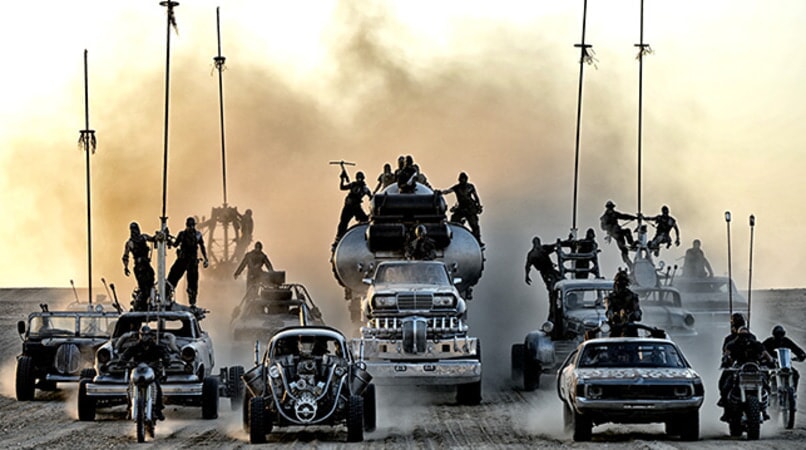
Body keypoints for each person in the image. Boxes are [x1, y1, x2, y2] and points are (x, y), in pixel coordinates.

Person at [718, 325, 773, 420]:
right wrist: (725, 360)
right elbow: (726, 354)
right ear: (738, 336)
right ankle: (726, 410)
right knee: (725, 384)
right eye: (742, 336)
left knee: (766, 384)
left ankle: (764, 410)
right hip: (738, 367)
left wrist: (771, 361)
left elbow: (766, 354)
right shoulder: (732, 344)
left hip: (755, 368)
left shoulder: (756, 344)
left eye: (746, 336)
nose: (744, 339)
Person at [121, 325, 168, 421]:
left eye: (146, 335)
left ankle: (158, 409)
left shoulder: (156, 347)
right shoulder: (135, 347)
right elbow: (125, 355)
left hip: (152, 372)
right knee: (130, 387)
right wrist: (122, 361)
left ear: (150, 335)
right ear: (139, 335)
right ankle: (130, 407)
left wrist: (166, 360)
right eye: (142, 335)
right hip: (138, 371)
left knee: (157, 386)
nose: (144, 337)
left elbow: (164, 354)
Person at [167, 216, 209, 307]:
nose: (191, 227)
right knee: (173, 277)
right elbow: (175, 244)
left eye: (192, 225)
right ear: (187, 226)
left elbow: (202, 247)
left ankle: (192, 302)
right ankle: (167, 294)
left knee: (193, 283)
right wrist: (169, 241)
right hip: (182, 260)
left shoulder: (198, 235)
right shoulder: (182, 234)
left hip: (192, 262)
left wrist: (206, 259)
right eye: (190, 226)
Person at [441, 172, 483, 244]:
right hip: (461, 208)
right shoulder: (457, 187)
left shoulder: (470, 187)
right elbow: (448, 191)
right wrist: (440, 192)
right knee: (454, 222)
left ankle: (478, 240)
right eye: (461, 179)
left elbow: (476, 196)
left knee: (474, 225)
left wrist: (478, 205)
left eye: (463, 179)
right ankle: (452, 237)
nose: (462, 181)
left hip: (470, 208)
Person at [334, 169, 372, 246]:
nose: (359, 180)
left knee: (364, 220)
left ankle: (365, 237)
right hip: (348, 207)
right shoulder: (353, 185)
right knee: (343, 223)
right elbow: (342, 187)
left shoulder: (365, 189)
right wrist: (342, 179)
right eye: (358, 178)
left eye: (360, 178)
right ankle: (338, 239)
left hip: (356, 207)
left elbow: (371, 197)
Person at [122, 222, 156, 310]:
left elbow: (153, 239)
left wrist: (159, 235)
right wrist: (126, 267)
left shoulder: (143, 237)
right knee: (143, 288)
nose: (134, 232)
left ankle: (148, 302)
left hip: (146, 265)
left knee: (151, 281)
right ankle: (142, 304)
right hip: (139, 267)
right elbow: (125, 257)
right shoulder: (130, 243)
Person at [763, 325, 806, 389]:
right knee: (764, 374)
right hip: (772, 365)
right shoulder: (769, 341)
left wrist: (801, 355)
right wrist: (765, 358)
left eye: (781, 334)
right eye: (777, 335)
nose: (779, 337)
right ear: (774, 335)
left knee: (795, 374)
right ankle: (765, 389)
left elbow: (796, 348)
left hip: (784, 364)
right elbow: (761, 349)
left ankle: (793, 390)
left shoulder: (786, 341)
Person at [600, 201, 637, 268]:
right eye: (610, 208)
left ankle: (632, 243)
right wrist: (610, 227)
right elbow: (603, 227)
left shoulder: (614, 214)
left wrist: (632, 217)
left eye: (612, 208)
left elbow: (623, 216)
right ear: (607, 208)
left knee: (627, 231)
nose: (611, 209)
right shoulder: (605, 217)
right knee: (623, 248)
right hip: (615, 234)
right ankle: (628, 263)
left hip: (619, 231)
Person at [605, 270, 641, 337]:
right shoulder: (611, 298)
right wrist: (614, 316)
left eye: (623, 285)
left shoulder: (632, 296)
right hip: (616, 327)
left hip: (630, 327)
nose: (621, 288)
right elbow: (609, 311)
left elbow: (637, 312)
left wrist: (632, 315)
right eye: (619, 285)